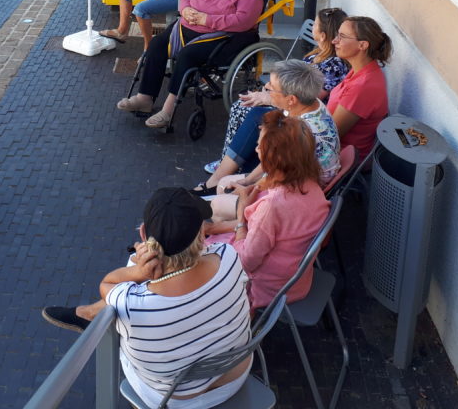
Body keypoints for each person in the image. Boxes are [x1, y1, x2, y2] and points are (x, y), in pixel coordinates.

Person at [42, 188, 252, 407]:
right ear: (201, 234)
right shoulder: (228, 257)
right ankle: (88, 313)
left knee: (119, 303)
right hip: (235, 377)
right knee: (133, 300)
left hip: (176, 401)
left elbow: (107, 285)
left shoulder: (134, 306)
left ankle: (89, 314)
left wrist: (138, 272)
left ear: (143, 235)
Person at [116, 0, 261, 128]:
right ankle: (145, 98)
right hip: (186, 27)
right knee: (157, 44)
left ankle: (168, 110)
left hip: (219, 37)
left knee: (187, 55)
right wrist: (185, 9)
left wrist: (206, 19)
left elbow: (243, 21)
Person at [206, 7, 349, 179]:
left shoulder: (333, 64)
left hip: (299, 108)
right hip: (293, 103)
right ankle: (229, 164)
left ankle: (230, 166)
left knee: (244, 109)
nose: (312, 26)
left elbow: (308, 96)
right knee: (244, 107)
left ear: (323, 35)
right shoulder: (318, 54)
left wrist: (268, 97)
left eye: (316, 24)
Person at [206, 111, 330, 309]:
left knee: (197, 257)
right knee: (209, 233)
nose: (256, 150)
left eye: (260, 146)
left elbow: (246, 261)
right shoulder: (311, 185)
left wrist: (241, 214)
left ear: (275, 158)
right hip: (296, 279)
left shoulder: (273, 205)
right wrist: (213, 229)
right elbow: (267, 232)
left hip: (268, 288)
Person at [193, 60, 341, 195]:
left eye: (272, 87)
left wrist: (245, 187)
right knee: (258, 115)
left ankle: (218, 198)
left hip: (297, 190)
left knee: (223, 191)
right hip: (292, 170)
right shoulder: (310, 103)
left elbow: (274, 174)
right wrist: (247, 180)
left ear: (291, 99)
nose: (266, 87)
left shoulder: (296, 132)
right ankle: (217, 180)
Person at [327, 15, 392, 160]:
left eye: (342, 36)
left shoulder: (362, 87)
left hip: (336, 158)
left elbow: (331, 136)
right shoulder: (362, 70)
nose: (334, 41)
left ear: (362, 45)